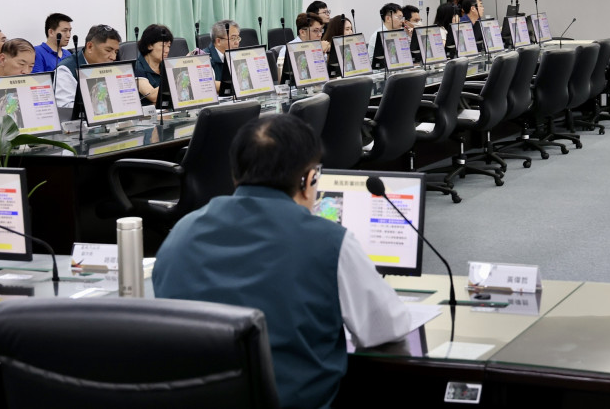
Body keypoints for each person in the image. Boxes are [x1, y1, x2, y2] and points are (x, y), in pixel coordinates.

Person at [154, 114, 411, 409]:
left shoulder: (181, 233)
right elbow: (386, 332)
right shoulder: (330, 242)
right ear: (310, 179)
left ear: (236, 173)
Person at [54, 24, 121, 107]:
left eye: (116, 52)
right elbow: (65, 108)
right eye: (108, 50)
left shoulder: (111, 66)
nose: (113, 57)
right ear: (90, 47)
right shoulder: (66, 70)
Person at [134, 24, 174, 105]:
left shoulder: (166, 65)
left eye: (169, 46)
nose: (167, 50)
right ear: (149, 45)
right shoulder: (137, 67)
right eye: (163, 46)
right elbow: (153, 96)